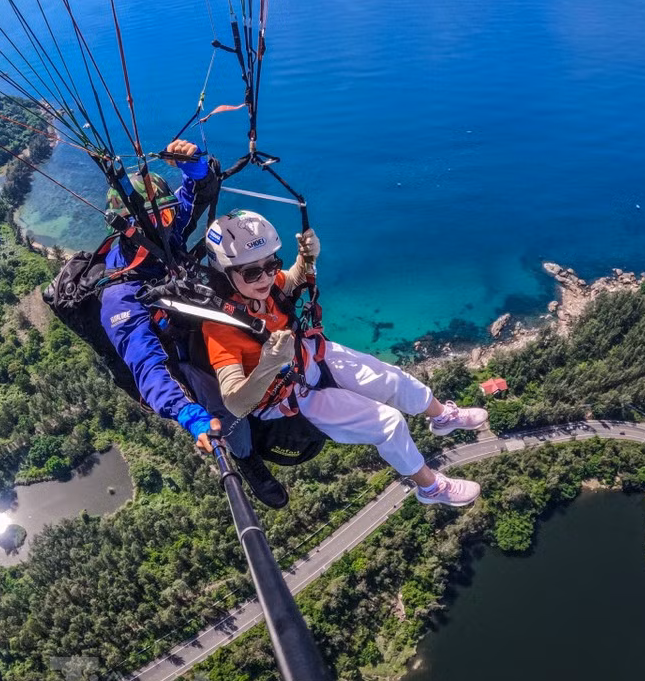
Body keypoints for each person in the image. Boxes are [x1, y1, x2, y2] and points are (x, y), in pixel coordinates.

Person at [199, 210, 488, 508]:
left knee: (392, 378)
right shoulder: (220, 326)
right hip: (287, 399)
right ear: (225, 272)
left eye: (272, 264)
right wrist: (269, 364)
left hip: (308, 357)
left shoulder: (265, 288)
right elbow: (234, 402)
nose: (267, 276)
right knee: (389, 424)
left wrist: (307, 257)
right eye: (252, 272)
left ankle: (442, 417)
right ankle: (430, 488)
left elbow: (293, 280)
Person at [98, 143, 288, 507]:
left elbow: (192, 198)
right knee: (225, 412)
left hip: (205, 324)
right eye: (153, 221)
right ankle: (248, 459)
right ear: (125, 229)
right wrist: (190, 415)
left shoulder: (166, 236)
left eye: (166, 218)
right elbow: (147, 366)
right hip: (181, 356)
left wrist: (194, 165)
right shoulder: (120, 296)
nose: (164, 226)